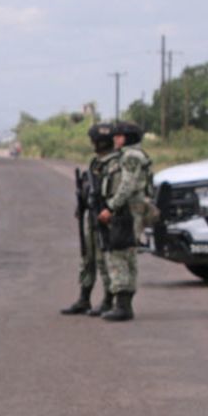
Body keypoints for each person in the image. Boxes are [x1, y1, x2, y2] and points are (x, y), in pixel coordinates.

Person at [96, 121, 152, 322]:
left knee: (119, 253)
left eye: (119, 136)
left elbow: (127, 185)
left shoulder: (130, 157)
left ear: (128, 137)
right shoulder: (133, 155)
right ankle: (124, 303)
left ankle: (122, 304)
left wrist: (111, 206)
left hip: (127, 210)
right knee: (127, 253)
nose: (115, 139)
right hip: (131, 208)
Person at [60, 123, 116, 315]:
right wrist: (81, 204)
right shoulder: (95, 162)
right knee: (87, 258)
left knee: (103, 259)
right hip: (91, 215)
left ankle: (109, 299)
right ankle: (84, 298)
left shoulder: (115, 163)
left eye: (95, 141)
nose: (93, 144)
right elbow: (88, 187)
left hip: (105, 217)